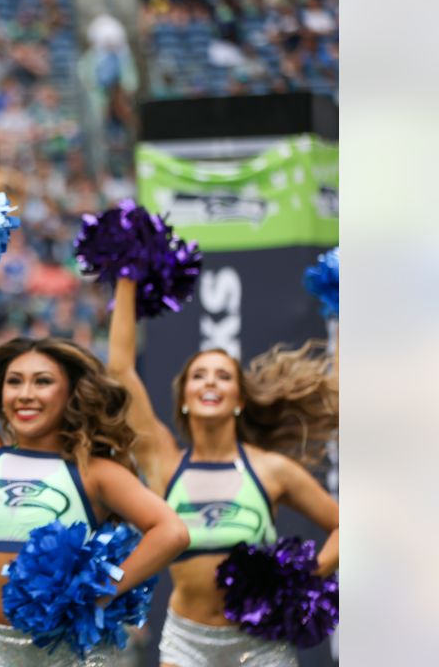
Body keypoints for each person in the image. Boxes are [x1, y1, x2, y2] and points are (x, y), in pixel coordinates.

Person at [0, 267, 189, 666]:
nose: (26, 394)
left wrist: (102, 590)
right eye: (14, 382)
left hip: (70, 654)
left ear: (71, 393)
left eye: (42, 382)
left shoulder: (93, 471)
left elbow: (172, 531)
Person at [106, 278, 339, 667]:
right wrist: (128, 277)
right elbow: (120, 370)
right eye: (199, 376)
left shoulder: (270, 469)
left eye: (223, 376)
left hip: (262, 643)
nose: (211, 382)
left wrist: (306, 578)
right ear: (183, 400)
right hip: (187, 643)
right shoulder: (164, 462)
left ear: (238, 399)